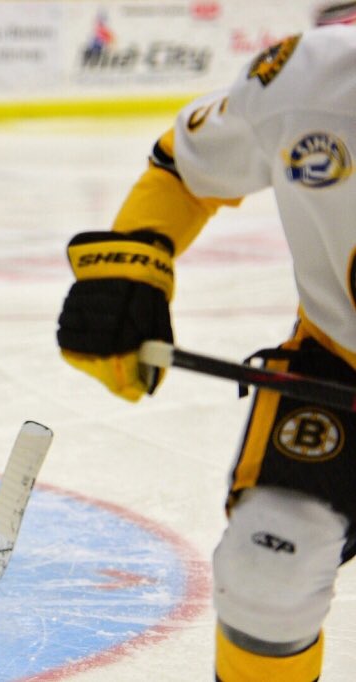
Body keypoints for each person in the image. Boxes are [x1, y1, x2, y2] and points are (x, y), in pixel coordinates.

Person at [57, 24, 356, 682]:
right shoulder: (307, 79)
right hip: (340, 360)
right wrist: (129, 272)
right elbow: (183, 166)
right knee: (265, 569)